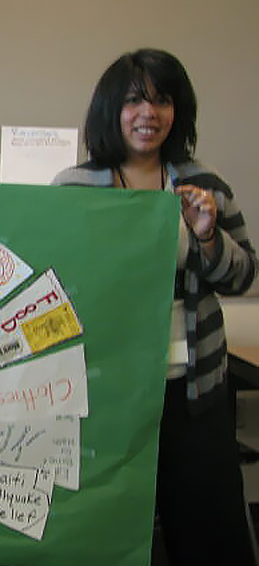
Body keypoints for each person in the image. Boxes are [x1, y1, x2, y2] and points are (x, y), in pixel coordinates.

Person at [53, 48, 258, 565]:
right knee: (106, 535)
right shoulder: (74, 189)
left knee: (211, 532)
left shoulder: (204, 185)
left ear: (178, 111)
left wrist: (207, 238)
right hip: (108, 397)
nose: (149, 113)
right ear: (110, 111)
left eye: (163, 100)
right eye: (134, 100)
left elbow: (244, 276)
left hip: (195, 394)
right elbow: (51, 283)